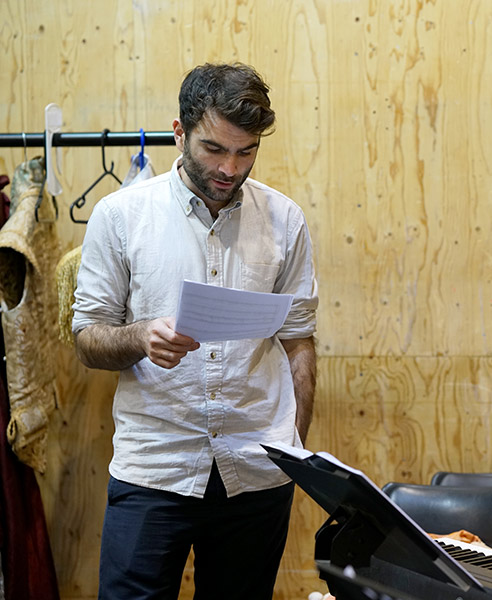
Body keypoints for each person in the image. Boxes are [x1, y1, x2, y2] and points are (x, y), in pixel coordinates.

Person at [72, 63, 318, 599]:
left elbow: (298, 339)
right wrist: (139, 337)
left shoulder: (285, 219)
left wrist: (295, 449)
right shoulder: (119, 216)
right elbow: (88, 337)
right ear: (179, 133)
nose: (231, 167)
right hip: (154, 467)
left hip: (257, 469)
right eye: (214, 149)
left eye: (247, 151)